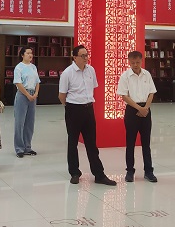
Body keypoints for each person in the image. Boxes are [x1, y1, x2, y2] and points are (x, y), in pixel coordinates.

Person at [58, 45, 116, 186]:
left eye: (87, 55)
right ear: (75, 57)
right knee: (73, 143)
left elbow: (92, 89)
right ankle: (74, 173)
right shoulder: (67, 73)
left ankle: (99, 174)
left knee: (91, 143)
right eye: (82, 56)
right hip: (73, 109)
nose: (86, 58)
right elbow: (61, 96)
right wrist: (70, 107)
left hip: (89, 109)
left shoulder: (91, 70)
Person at [116, 50, 157, 183]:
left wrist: (145, 108)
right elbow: (124, 96)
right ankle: (130, 171)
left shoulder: (147, 74)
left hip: (146, 109)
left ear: (141, 61)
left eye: (137, 62)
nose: (135, 65)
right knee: (130, 143)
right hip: (132, 110)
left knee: (146, 143)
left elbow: (151, 93)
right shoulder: (125, 76)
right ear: (129, 62)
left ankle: (149, 171)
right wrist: (139, 108)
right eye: (133, 62)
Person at [13, 46, 40, 158]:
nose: (30, 55)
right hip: (22, 95)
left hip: (33, 95)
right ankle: (19, 148)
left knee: (30, 122)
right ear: (22, 55)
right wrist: (28, 95)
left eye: (31, 53)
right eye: (28, 53)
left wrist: (36, 93)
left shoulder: (33, 67)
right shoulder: (19, 67)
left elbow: (37, 81)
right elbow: (18, 83)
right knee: (20, 122)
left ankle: (27, 147)